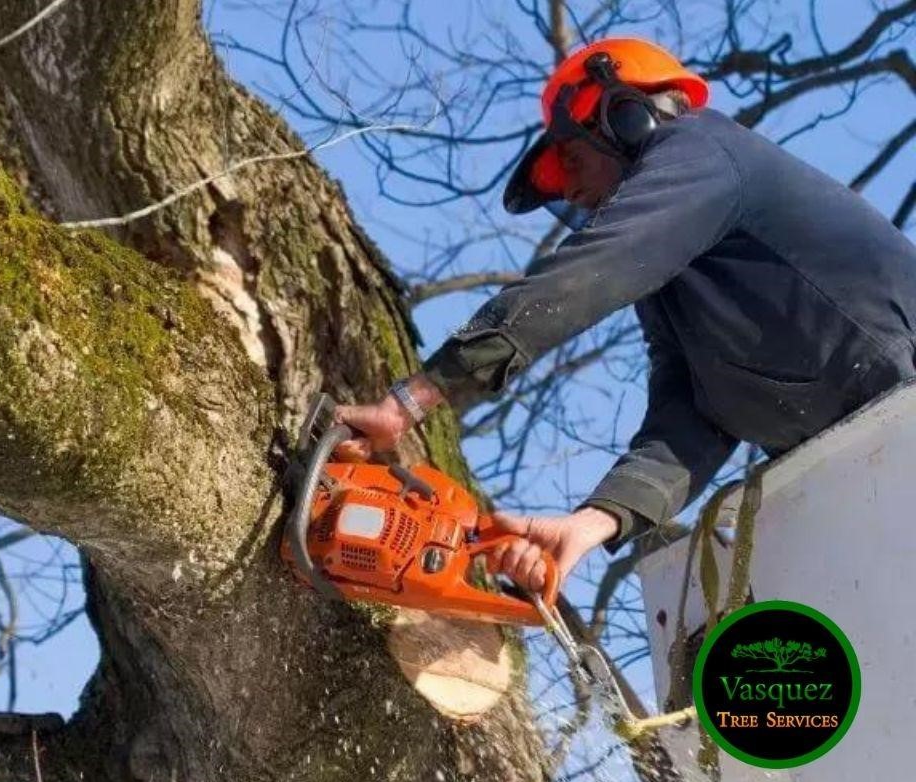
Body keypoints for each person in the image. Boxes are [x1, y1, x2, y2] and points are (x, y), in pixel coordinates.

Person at [334, 37, 916, 594]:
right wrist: (590, 524)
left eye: (572, 158)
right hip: (857, 465)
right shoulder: (675, 282)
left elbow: (590, 272)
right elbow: (692, 418)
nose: (574, 192)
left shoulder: (704, 150)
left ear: (625, 116)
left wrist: (410, 400)